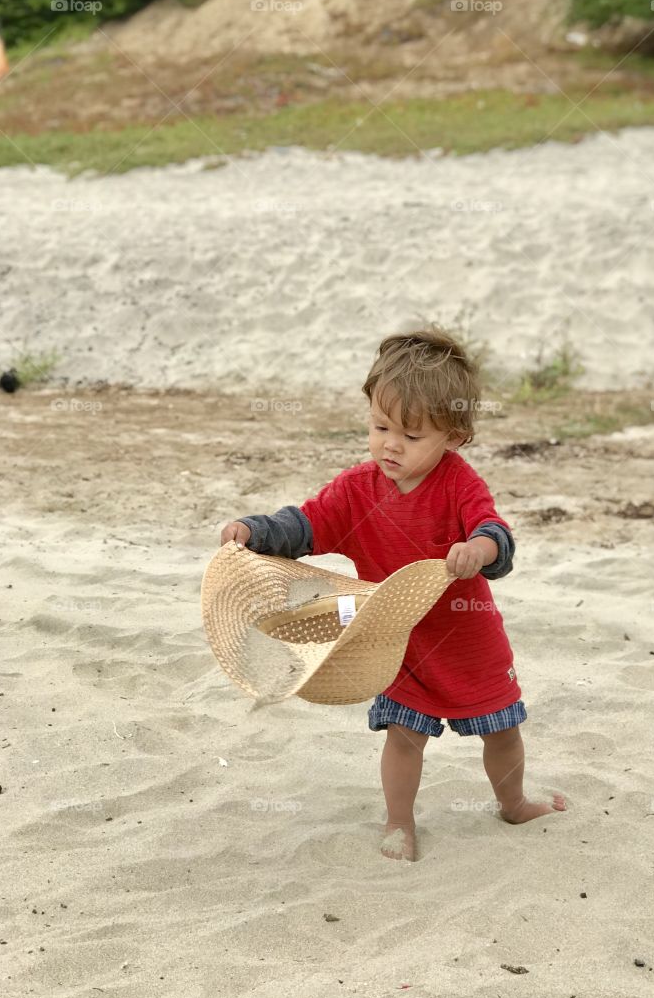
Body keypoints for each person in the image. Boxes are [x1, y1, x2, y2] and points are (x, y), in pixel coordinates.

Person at [220, 326, 566, 861]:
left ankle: (514, 802)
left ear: (454, 436)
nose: (390, 444)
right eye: (380, 426)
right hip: (395, 638)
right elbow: (307, 524)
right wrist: (255, 530)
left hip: (467, 638)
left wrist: (480, 549)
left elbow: (496, 533)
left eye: (411, 435)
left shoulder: (458, 484)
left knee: (503, 731)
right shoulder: (358, 489)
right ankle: (399, 823)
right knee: (404, 737)